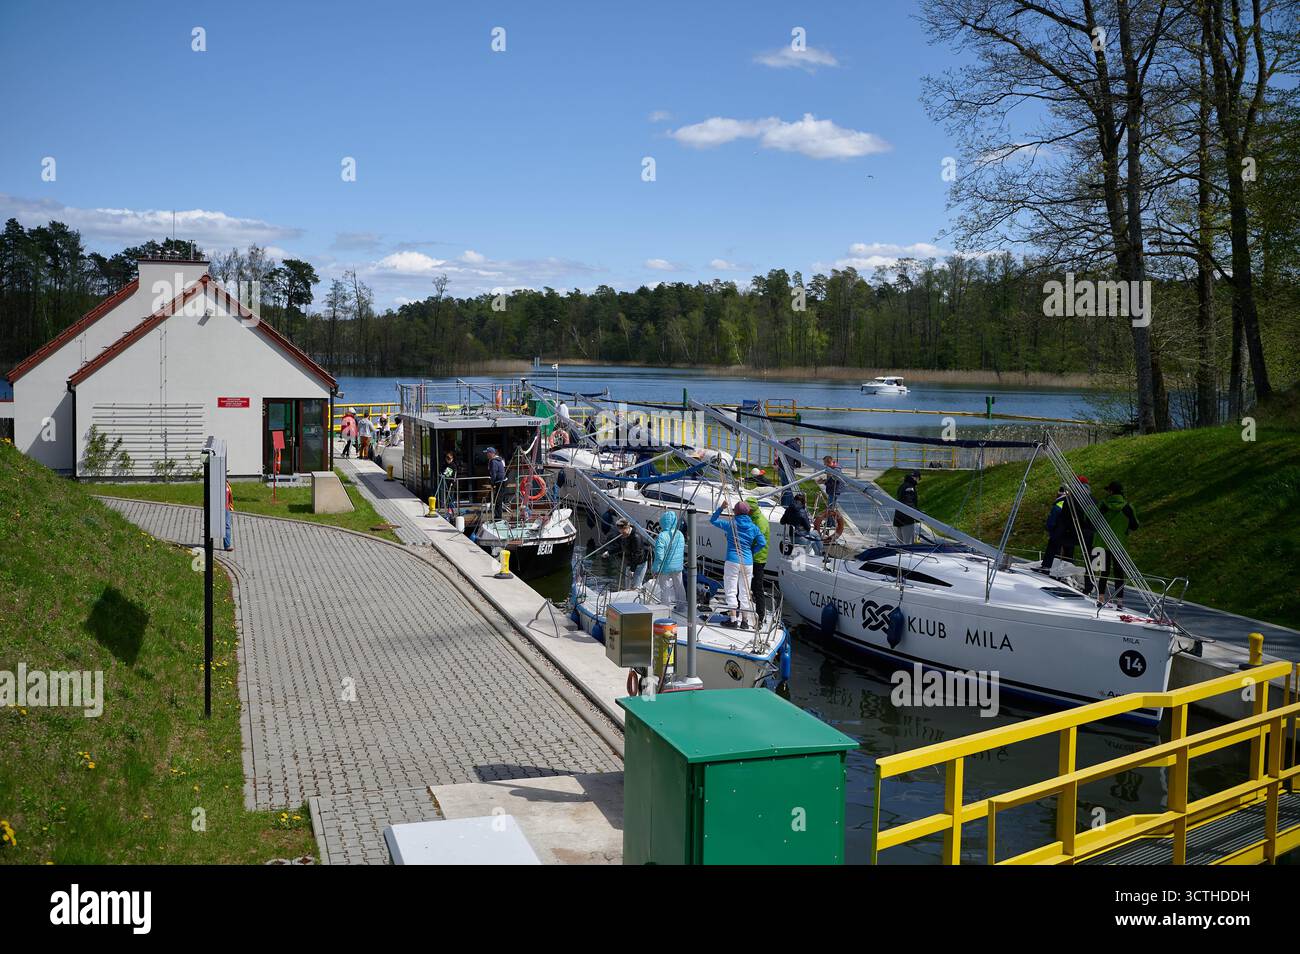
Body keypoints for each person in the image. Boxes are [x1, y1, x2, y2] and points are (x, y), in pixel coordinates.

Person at [709, 501, 766, 628]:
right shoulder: (754, 527)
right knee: (745, 591)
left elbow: (713, 520)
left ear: (736, 512)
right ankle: (745, 621)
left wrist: (721, 508)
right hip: (748, 562)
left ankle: (733, 620)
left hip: (732, 560)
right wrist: (752, 551)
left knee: (731, 590)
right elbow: (762, 543)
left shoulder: (731, 524)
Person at [1097, 480, 1139, 606]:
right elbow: (1135, 525)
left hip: (1102, 542)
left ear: (1110, 491)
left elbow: (1091, 519)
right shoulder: (1127, 507)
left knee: (1103, 571)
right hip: (1119, 543)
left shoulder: (1103, 505)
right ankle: (1119, 601)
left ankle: (1100, 598)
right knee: (1119, 572)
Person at [650, 511, 686, 609]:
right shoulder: (680, 534)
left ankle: (665, 608)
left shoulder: (662, 536)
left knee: (665, 588)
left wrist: (655, 569)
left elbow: (659, 556)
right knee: (679, 586)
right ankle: (681, 607)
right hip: (678, 566)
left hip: (665, 567)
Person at [745, 497, 771, 623]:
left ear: (751, 509)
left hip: (758, 559)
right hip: (751, 557)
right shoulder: (752, 518)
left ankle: (760, 615)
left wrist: (748, 550)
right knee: (744, 585)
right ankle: (739, 610)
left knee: (757, 587)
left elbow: (757, 540)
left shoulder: (760, 521)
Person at [616, 518, 650, 590]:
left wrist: (632, 570)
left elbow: (637, 554)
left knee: (635, 587)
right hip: (630, 563)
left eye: (622, 531)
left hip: (640, 564)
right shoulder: (625, 536)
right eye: (620, 531)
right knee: (628, 587)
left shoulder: (636, 537)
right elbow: (620, 547)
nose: (621, 533)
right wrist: (609, 552)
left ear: (627, 528)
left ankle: (639, 592)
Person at [893, 470, 920, 544]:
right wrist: (917, 514)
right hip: (907, 518)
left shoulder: (902, 485)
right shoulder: (910, 487)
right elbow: (908, 502)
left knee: (900, 543)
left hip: (899, 517)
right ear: (916, 478)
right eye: (918, 479)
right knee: (908, 543)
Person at [486, 446, 508, 519]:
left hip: (500, 482)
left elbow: (494, 473)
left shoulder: (493, 461)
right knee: (498, 499)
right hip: (502, 482)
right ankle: (498, 516)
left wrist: (492, 483)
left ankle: (498, 518)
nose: (486, 455)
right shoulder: (499, 460)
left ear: (491, 453)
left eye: (487, 453)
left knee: (497, 500)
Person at [223, 480, 235, 551]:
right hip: (216, 508)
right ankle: (208, 543)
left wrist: (230, 506)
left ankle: (227, 545)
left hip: (226, 508)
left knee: (227, 526)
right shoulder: (216, 482)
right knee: (212, 525)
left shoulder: (227, 483)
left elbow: (229, 496)